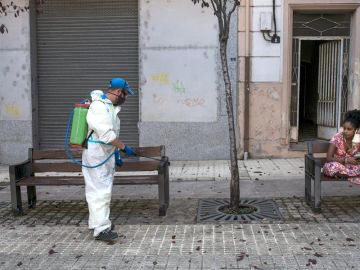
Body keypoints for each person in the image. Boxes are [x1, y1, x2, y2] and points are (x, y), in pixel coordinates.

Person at [82, 78, 136, 242]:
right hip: (97, 155)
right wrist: (123, 147)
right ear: (119, 92)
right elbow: (106, 135)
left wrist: (116, 154)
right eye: (125, 94)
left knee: (97, 190)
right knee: (101, 192)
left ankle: (97, 223)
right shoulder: (99, 107)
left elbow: (109, 135)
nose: (125, 98)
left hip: (103, 154)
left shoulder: (108, 107)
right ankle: (101, 230)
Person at [323, 109, 360, 184]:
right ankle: (354, 176)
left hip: (353, 166)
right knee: (330, 167)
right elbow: (329, 158)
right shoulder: (337, 137)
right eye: (344, 128)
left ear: (356, 130)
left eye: (349, 129)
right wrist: (346, 160)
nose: (345, 131)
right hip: (339, 165)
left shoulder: (358, 138)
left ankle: (348, 175)